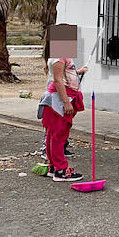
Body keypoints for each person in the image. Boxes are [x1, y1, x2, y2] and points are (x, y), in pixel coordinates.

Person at [39, 49, 87, 182]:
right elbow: (58, 80)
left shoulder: (62, 56)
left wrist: (78, 72)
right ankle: (61, 170)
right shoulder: (59, 57)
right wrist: (66, 102)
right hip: (59, 100)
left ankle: (54, 167)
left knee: (53, 134)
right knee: (58, 135)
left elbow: (66, 75)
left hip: (60, 98)